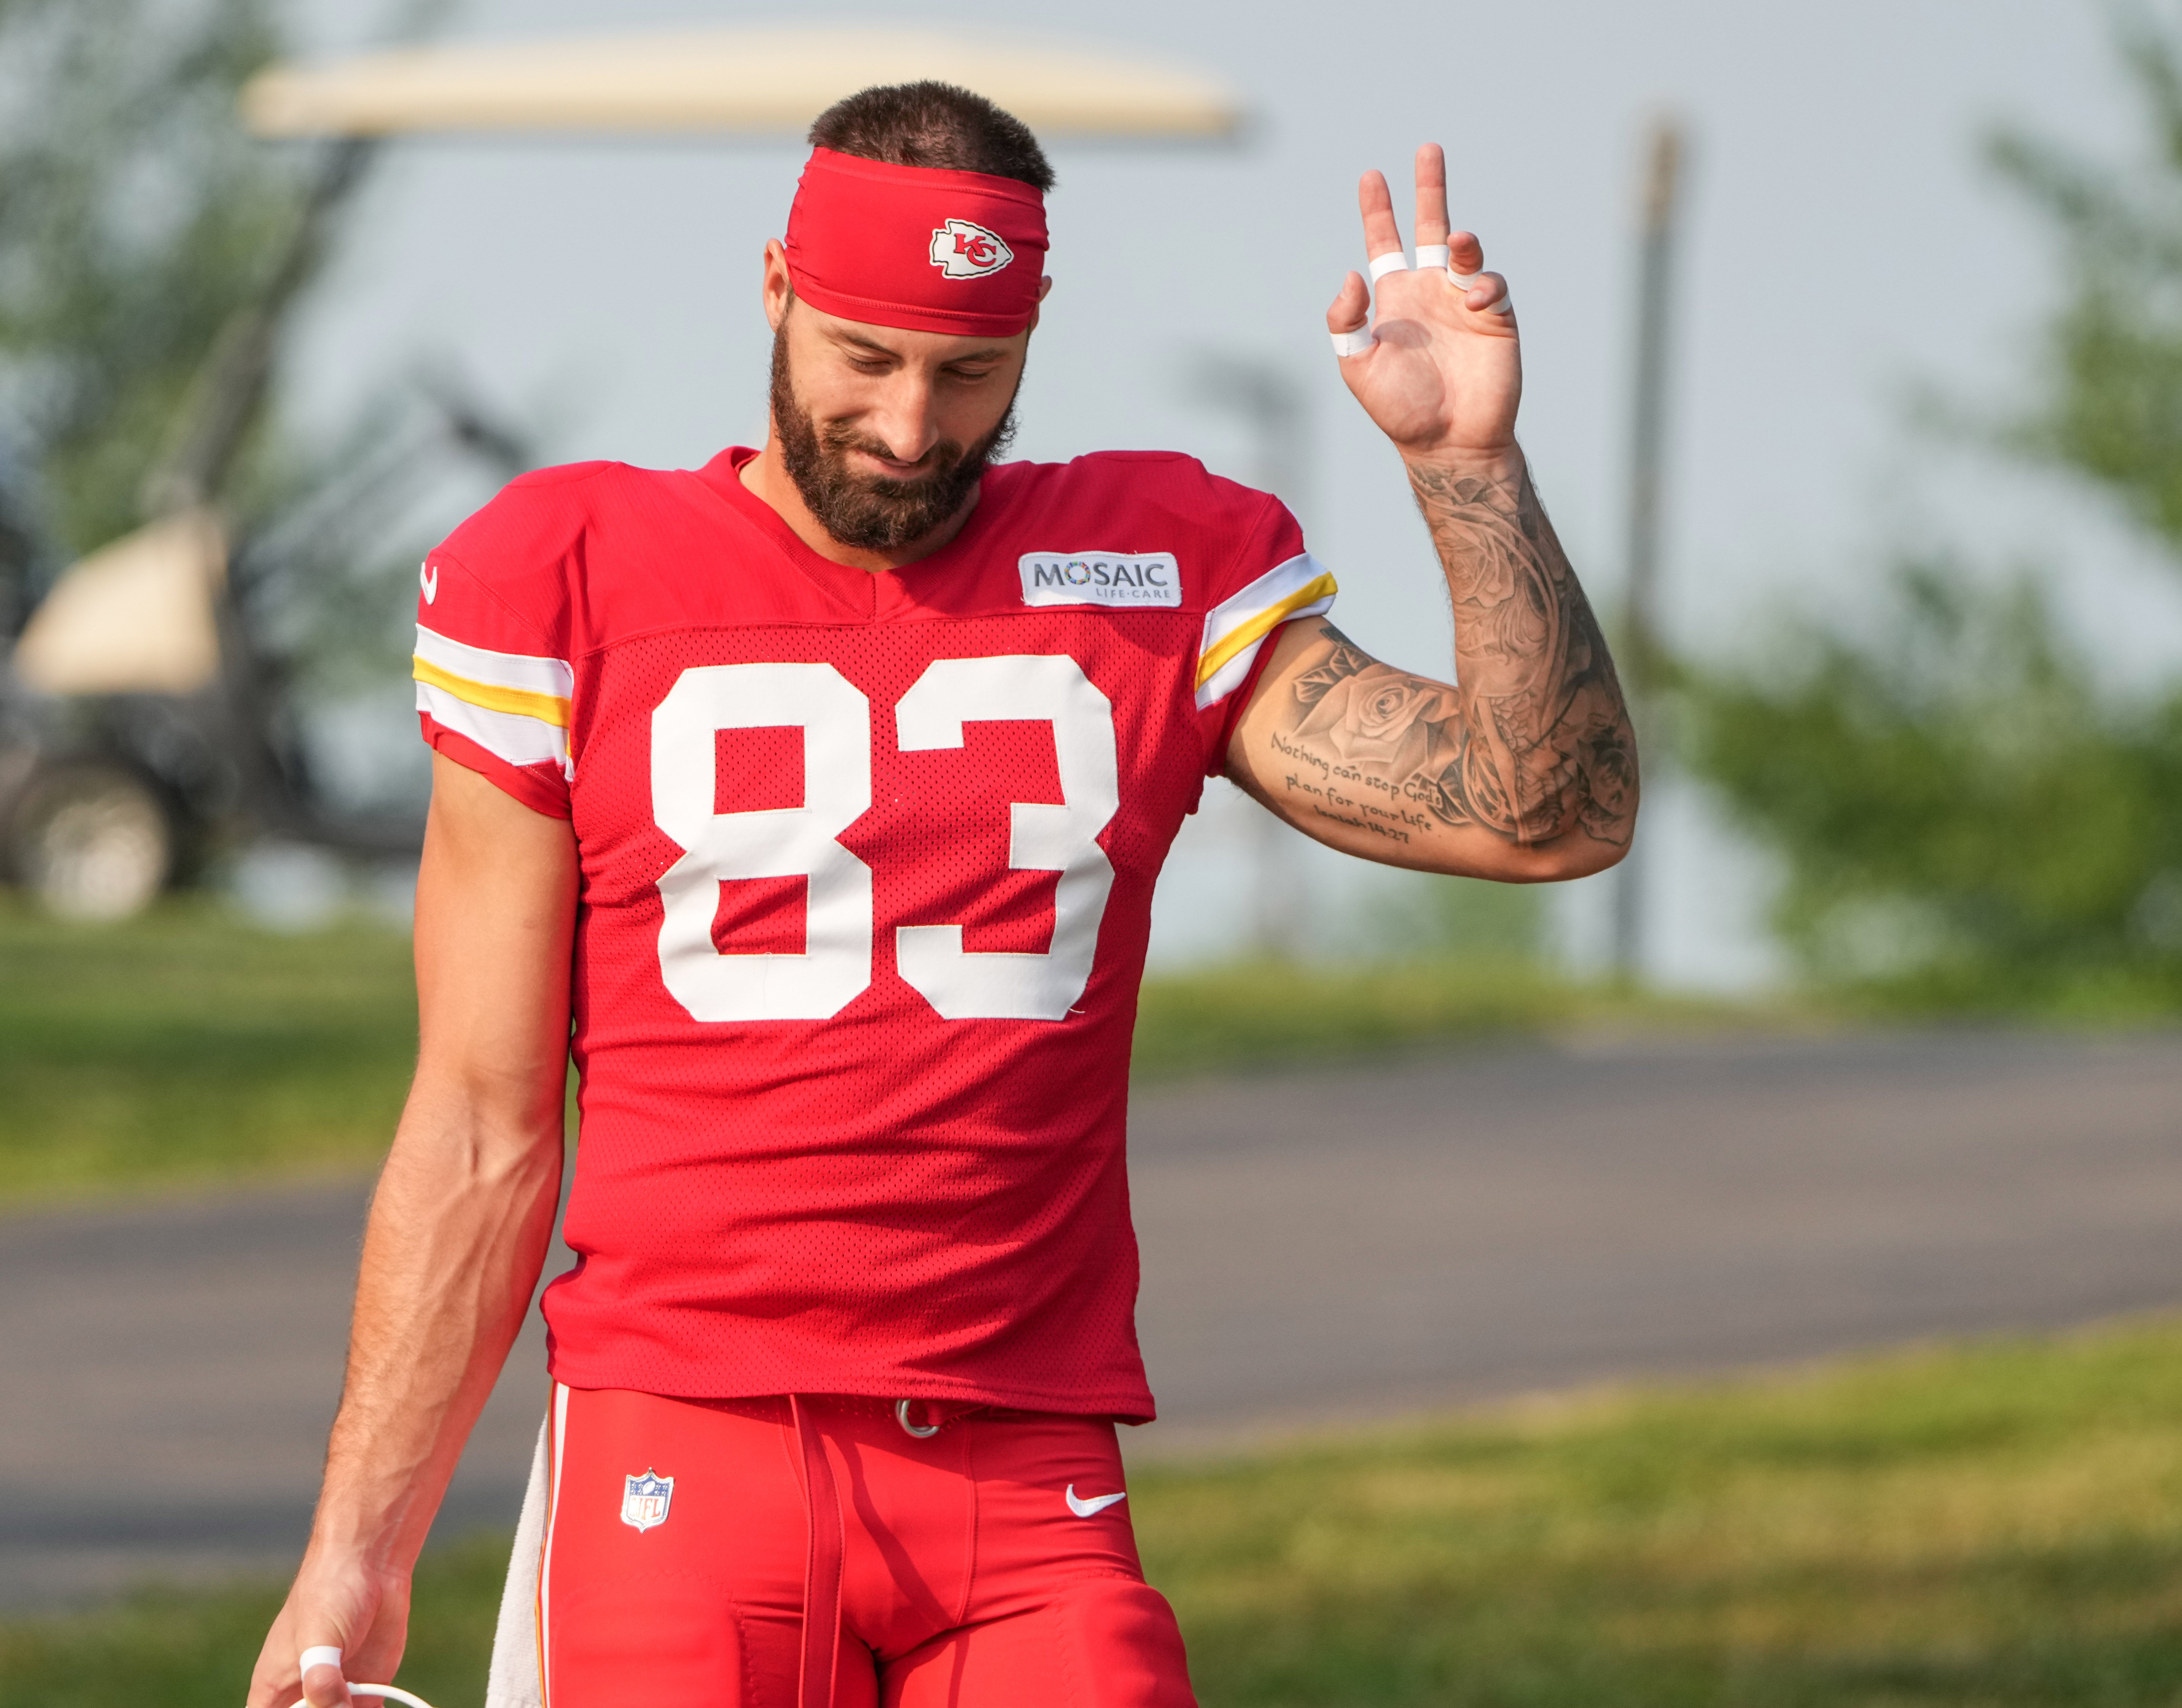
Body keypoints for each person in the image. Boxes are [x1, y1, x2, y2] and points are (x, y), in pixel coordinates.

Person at [248, 80, 1635, 1708]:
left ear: (1033, 337)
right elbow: (484, 1123)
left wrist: (1468, 465)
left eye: (970, 374)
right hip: (685, 1458)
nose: (912, 430)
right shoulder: (567, 572)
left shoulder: (1155, 569)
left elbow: (1548, 811)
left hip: (1027, 1481)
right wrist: (358, 1543)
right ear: (776, 287)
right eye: (867, 359)